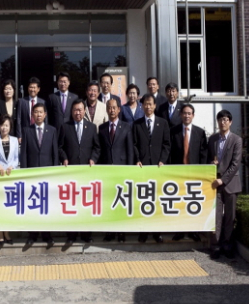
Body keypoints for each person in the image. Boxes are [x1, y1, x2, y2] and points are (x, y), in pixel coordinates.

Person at [58, 99, 100, 244]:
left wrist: (93, 159)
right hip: (71, 172)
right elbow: (60, 147)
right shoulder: (65, 127)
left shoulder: (91, 127)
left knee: (86, 204)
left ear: (84, 111)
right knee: (72, 204)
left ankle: (86, 234)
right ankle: (71, 235)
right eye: (75, 110)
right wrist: (64, 158)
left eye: (80, 110)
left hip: (87, 173)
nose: (78, 113)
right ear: (71, 111)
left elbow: (97, 147)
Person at [133, 93, 170, 244]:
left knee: (156, 200)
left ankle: (157, 232)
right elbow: (134, 144)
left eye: (150, 104)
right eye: (145, 104)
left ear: (155, 106)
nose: (148, 106)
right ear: (142, 106)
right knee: (143, 200)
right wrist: (137, 159)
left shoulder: (163, 123)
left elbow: (167, 144)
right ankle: (143, 231)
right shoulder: (137, 124)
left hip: (157, 167)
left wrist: (162, 160)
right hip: (143, 167)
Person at [20, 103, 58, 246]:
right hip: (32, 175)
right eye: (35, 112)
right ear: (32, 115)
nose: (38, 115)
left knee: (47, 206)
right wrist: (24, 174)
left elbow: (55, 154)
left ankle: (47, 235)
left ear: (45, 114)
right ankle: (32, 235)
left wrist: (55, 173)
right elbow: (24, 154)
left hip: (47, 176)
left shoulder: (52, 130)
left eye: (41, 112)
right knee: (33, 205)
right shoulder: (27, 131)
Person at [169, 104, 208, 242]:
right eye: (184, 113)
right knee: (179, 203)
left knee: (192, 203)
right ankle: (179, 231)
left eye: (189, 113)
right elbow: (170, 152)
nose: (186, 116)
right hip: (178, 173)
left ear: (193, 115)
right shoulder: (173, 131)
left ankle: (193, 231)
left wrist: (202, 172)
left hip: (194, 174)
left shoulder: (200, 132)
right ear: (180, 115)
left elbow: (203, 154)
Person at [208, 109, 242, 259]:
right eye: (221, 119)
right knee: (215, 216)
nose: (223, 122)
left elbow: (235, 164)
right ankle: (215, 245)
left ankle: (227, 245)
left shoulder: (236, 140)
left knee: (230, 216)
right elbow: (208, 159)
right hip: (215, 183)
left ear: (230, 122)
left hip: (230, 183)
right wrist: (211, 163)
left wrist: (223, 179)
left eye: (226, 120)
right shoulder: (212, 139)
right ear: (218, 122)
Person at [99, 98, 134, 242]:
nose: (112, 110)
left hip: (122, 170)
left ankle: (121, 232)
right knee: (109, 202)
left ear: (119, 109)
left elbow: (130, 150)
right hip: (107, 171)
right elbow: (100, 150)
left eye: (114, 108)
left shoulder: (126, 127)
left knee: (121, 202)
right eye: (109, 107)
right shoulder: (102, 128)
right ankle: (110, 231)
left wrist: (129, 170)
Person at [0, 114, 19, 245]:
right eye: (2, 125)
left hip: (10, 178)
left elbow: (16, 158)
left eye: (6, 125)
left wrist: (12, 166)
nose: (4, 128)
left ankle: (7, 232)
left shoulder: (15, 140)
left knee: (8, 207)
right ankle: (0, 233)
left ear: (10, 127)